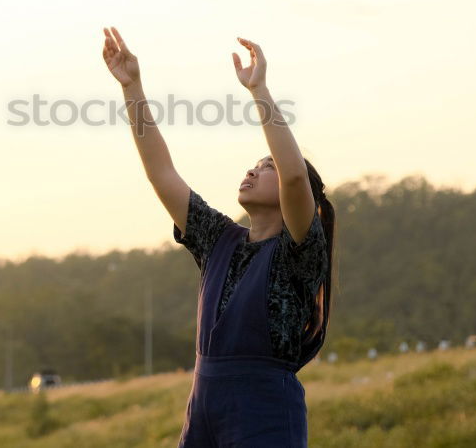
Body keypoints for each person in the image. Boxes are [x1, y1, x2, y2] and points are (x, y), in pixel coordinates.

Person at [102, 26, 335, 447]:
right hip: (203, 410)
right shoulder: (217, 240)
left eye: (266, 167)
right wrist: (132, 86)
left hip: (264, 409)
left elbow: (296, 176)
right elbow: (161, 173)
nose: (252, 171)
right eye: (254, 164)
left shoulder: (300, 250)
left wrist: (259, 90)